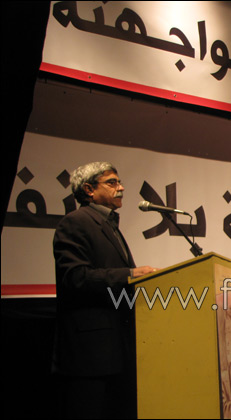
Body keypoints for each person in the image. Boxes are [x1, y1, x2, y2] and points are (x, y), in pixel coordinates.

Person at [52, 162, 158, 419]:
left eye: (120, 182)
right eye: (112, 182)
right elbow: (75, 277)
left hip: (118, 347)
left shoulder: (109, 225)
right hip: (90, 352)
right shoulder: (75, 222)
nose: (121, 188)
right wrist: (130, 274)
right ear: (89, 189)